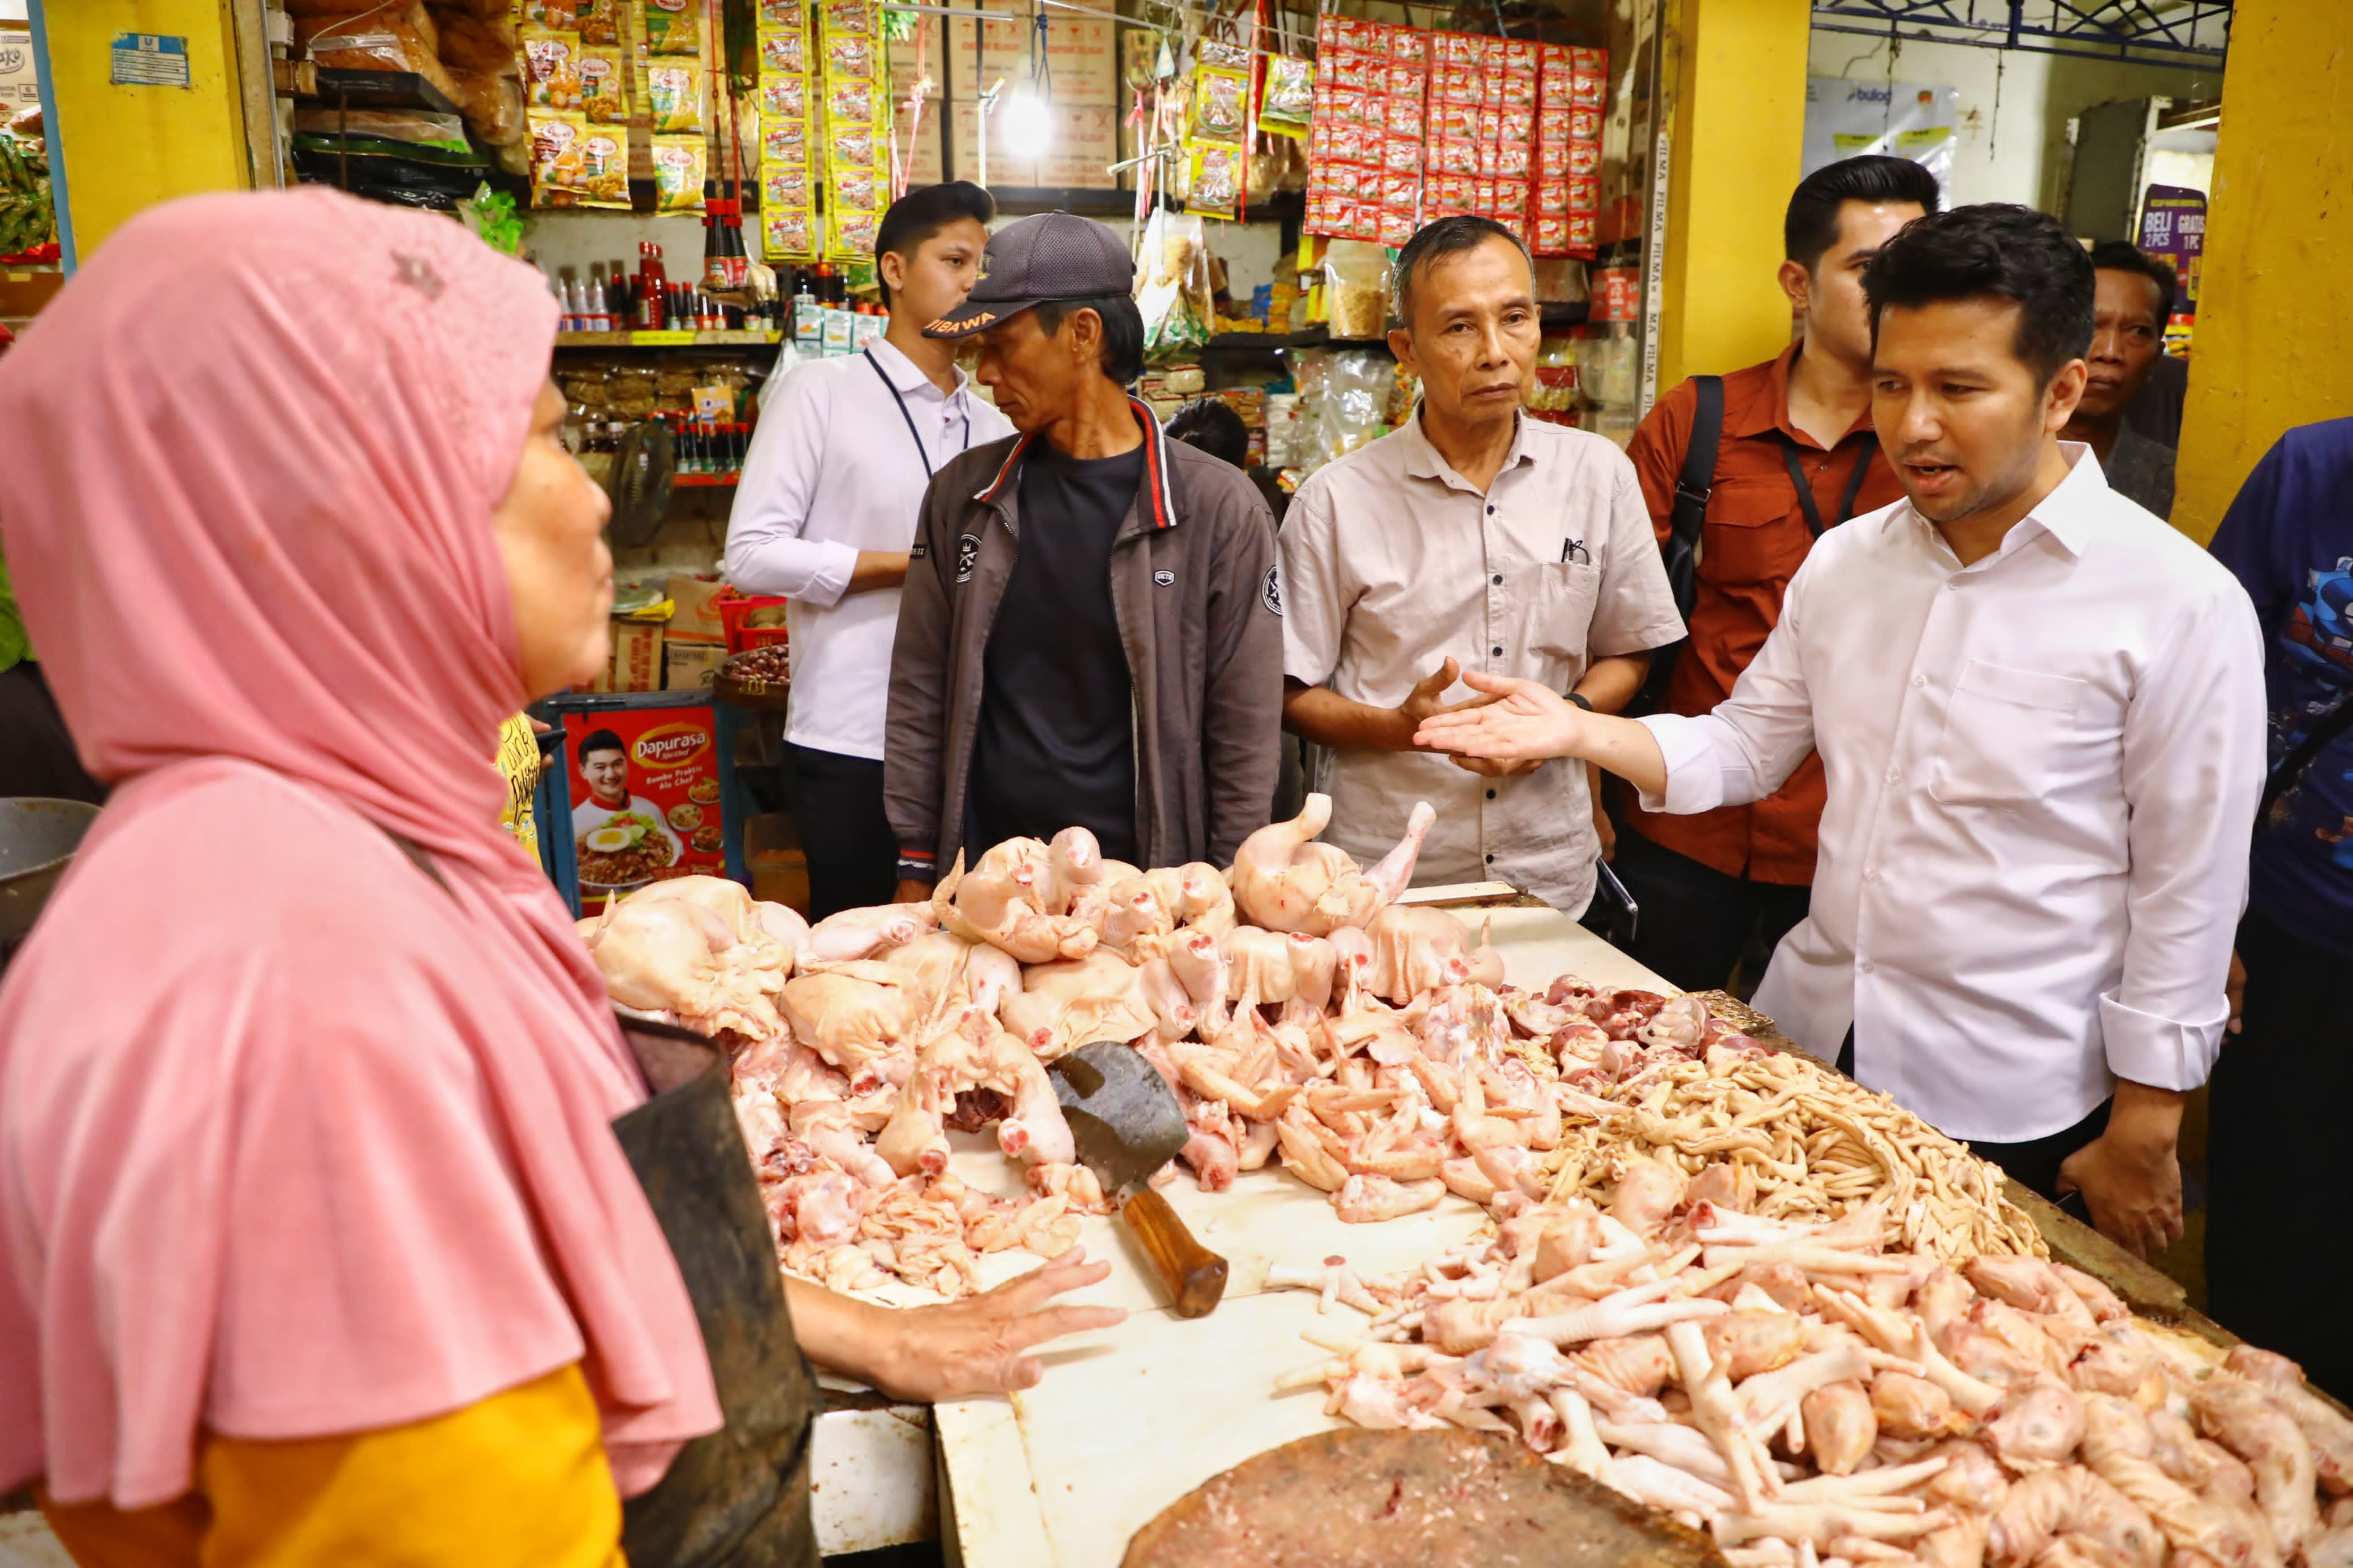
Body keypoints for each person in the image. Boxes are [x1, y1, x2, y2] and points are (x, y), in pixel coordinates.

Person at [0, 189, 1118, 1567]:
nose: (592, 495)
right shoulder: (300, 982)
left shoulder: (349, 844)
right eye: (529, 444)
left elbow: (550, 1218)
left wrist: (868, 1331)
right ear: (341, 511)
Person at [1413, 204, 2265, 1259]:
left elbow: (2188, 886)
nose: (1911, 426)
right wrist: (1574, 729)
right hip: (1816, 1046)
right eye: (1893, 383)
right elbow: (1744, 747)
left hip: (2012, 1088)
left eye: (1959, 389)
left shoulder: (2177, 602)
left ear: (2061, 393)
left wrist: (2148, 1117)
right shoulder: (1853, 562)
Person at [1278, 215, 1682, 915]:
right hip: (1388, 879)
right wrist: (1400, 727)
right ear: (1405, 348)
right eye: (1459, 328)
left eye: (1515, 318)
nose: (1496, 353)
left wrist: (1565, 719)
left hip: (1547, 868)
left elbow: (1627, 652)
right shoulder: (1334, 502)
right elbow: (1288, 693)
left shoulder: (1597, 475)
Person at [885, 212, 1283, 892]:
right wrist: (918, 862)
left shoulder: (1217, 509)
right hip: (988, 879)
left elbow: (1244, 725)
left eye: (1003, 346)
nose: (985, 375)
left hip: (1143, 886)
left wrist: (1222, 886)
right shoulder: (965, 496)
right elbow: (921, 685)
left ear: (1082, 334)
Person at [1614, 155, 1934, 990]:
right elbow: (1614, 619)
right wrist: (1586, 778)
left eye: (1917, 265)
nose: (1898, 292)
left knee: (1825, 1088)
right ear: (1799, 281)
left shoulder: (1943, 452)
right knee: (1647, 1047)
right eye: (1870, 269)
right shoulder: (1699, 419)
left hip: (1859, 842)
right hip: (1690, 822)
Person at [726, 182, 1013, 919]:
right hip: (852, 735)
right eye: (954, 259)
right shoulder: (822, 391)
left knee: (973, 944)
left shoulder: (991, 423)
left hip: (974, 738)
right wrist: (911, 568)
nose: (971, 281)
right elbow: (752, 555)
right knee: (861, 947)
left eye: (982, 266)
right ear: (893, 270)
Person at [2205, 417, 2353, 1398]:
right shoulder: (2313, 469)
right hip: (2293, 929)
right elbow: (2204, 702)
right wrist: (2205, 915)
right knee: (2273, 1225)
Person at [2061, 239, 2179, 519]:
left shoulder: (2172, 484)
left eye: (2137, 331)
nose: (2110, 352)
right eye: (2092, 325)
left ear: (2155, 359)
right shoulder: (1995, 462)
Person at [572, 724, 687, 862]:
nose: (611, 774)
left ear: (627, 764)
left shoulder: (649, 809)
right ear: (583, 771)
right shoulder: (575, 821)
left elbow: (675, 851)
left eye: (617, 764)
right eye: (600, 767)